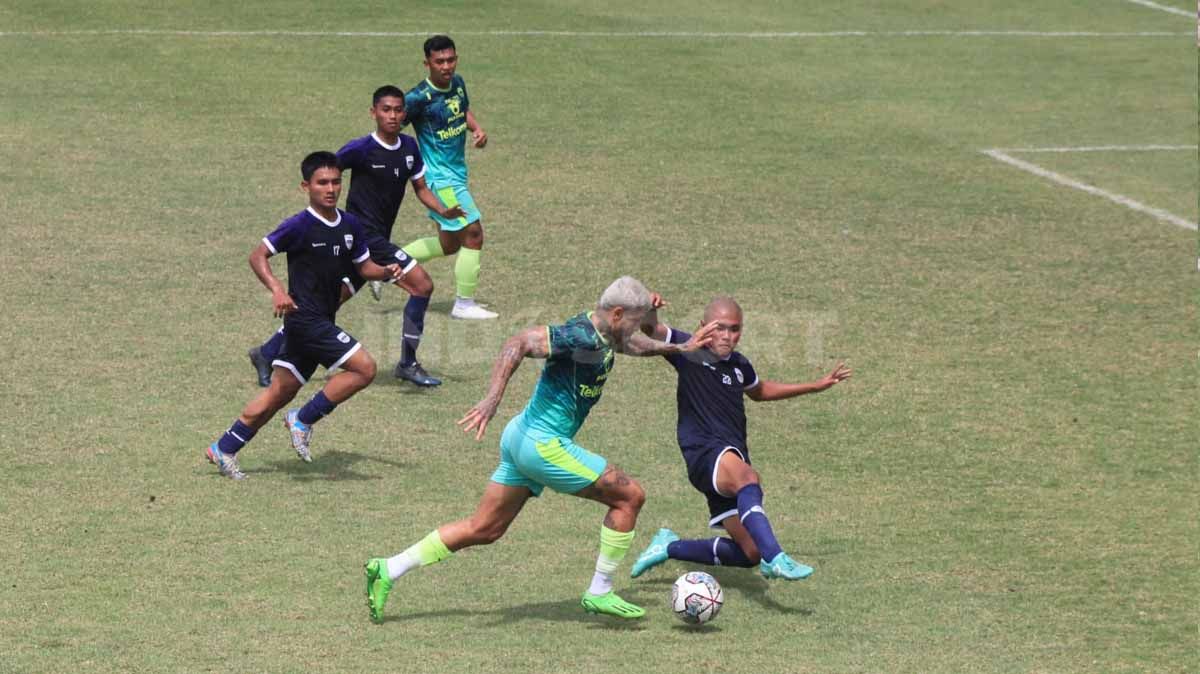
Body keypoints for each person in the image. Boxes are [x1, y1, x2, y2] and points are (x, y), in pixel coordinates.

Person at [363, 277, 718, 622]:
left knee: (484, 528)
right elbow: (517, 343)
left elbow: (630, 345)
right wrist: (492, 398)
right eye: (636, 322)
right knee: (630, 497)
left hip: (521, 436)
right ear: (617, 314)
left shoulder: (604, 333)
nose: (639, 330)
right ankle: (600, 590)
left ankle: (388, 568)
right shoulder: (578, 335)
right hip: (542, 445)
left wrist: (678, 347)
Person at [248, 85, 465, 388]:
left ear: (405, 113)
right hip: (362, 234)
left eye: (398, 110)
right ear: (373, 112)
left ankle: (267, 351)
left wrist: (444, 211)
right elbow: (326, 174)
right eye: (386, 110)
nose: (392, 115)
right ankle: (408, 363)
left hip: (360, 245)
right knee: (422, 285)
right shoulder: (361, 149)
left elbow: (421, 189)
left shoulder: (409, 148)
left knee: (326, 304)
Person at [205, 152, 403, 480]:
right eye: (322, 182)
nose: (330, 188)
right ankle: (303, 419)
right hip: (305, 319)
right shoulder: (299, 225)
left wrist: (385, 272)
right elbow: (258, 256)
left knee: (277, 393)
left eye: (336, 181)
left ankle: (224, 448)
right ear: (306, 186)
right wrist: (278, 290)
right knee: (365, 368)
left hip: (320, 320)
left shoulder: (350, 225)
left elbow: (364, 268)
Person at [629, 296, 851, 580]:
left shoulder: (739, 365)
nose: (727, 336)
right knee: (748, 479)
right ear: (703, 326)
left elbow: (759, 391)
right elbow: (652, 330)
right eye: (719, 327)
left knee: (749, 553)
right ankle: (776, 558)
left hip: (730, 455)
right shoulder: (688, 348)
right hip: (705, 452)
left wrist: (814, 386)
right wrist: (650, 312)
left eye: (734, 329)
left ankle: (669, 546)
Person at [399, 35, 497, 320]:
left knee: (449, 244)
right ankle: (464, 304)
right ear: (427, 62)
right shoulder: (416, 98)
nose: (446, 66)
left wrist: (476, 129)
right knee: (474, 234)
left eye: (451, 60)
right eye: (439, 61)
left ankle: (386, 264)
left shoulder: (458, 83)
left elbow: (462, 109)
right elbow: (392, 128)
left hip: (457, 174)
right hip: (440, 180)